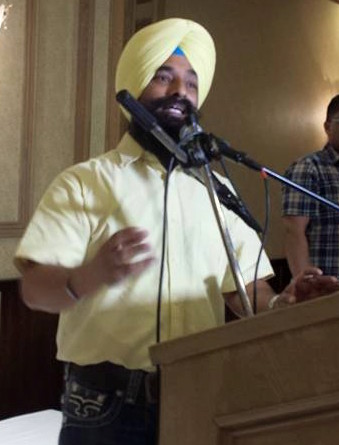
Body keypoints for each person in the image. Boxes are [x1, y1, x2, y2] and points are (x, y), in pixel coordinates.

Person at [14, 18, 339, 445]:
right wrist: (90, 275)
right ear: (133, 87)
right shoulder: (85, 182)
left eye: (190, 83)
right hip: (104, 404)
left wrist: (285, 302)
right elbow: (35, 290)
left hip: (197, 395)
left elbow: (243, 291)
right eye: (163, 77)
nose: (179, 93)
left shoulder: (215, 189)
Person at [282, 94, 339, 278]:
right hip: (328, 292)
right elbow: (294, 232)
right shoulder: (308, 168)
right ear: (327, 126)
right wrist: (307, 288)